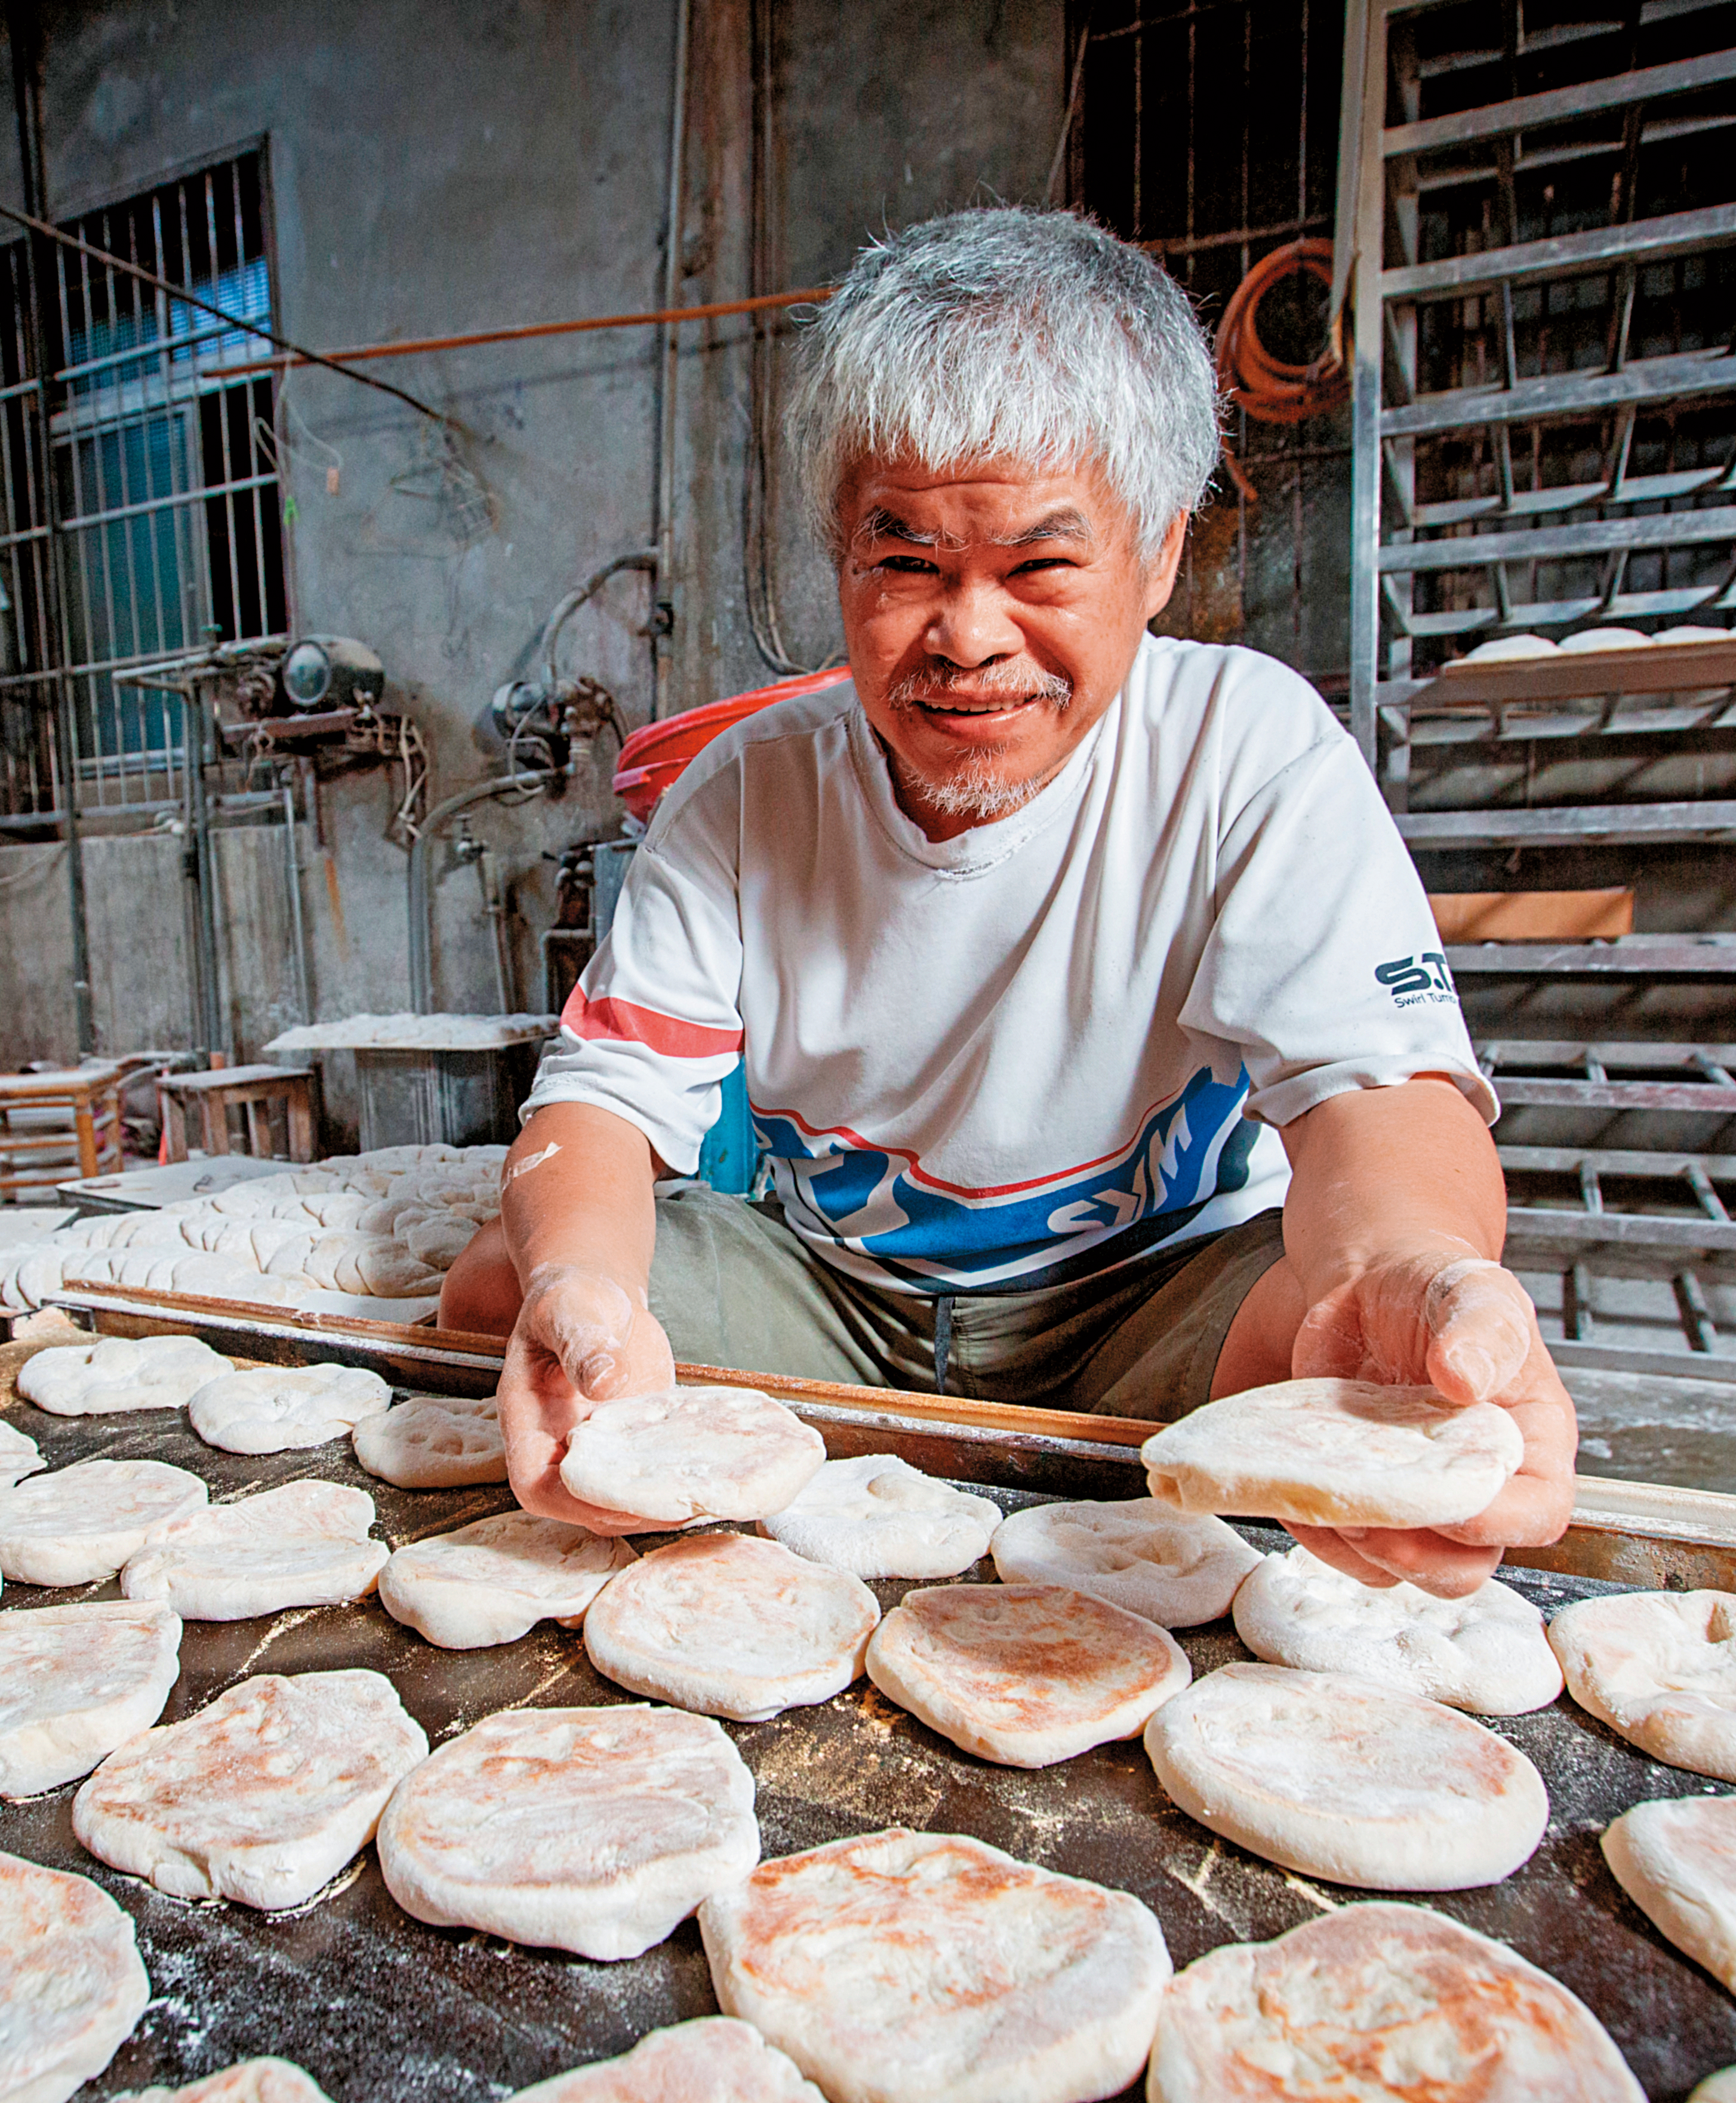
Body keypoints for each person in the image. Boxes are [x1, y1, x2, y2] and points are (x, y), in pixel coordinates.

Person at [442, 208, 1574, 1598]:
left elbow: (1379, 1097)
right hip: (837, 1299)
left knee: (1352, 1348)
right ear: (841, 554)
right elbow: (603, 1107)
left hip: (1147, 1300)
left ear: (1158, 553)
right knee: (506, 1294)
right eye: (907, 561)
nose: (968, 636)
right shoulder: (746, 792)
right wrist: (583, 1288)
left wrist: (1403, 1265)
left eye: (1038, 567)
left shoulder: (1247, 749)